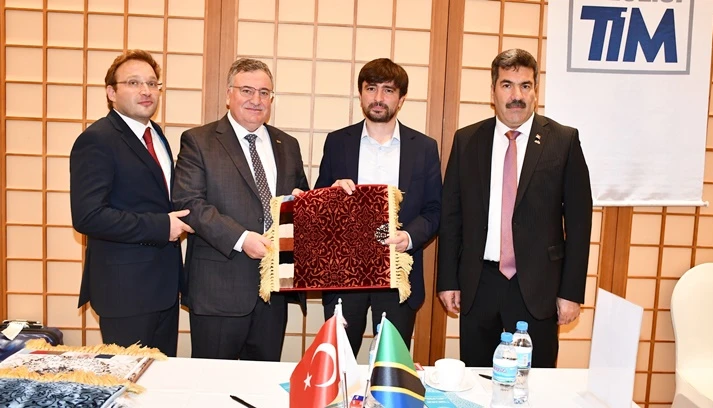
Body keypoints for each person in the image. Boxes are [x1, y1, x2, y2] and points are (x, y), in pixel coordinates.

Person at [436, 48, 593, 368]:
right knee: (478, 379)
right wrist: (448, 279)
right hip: (480, 283)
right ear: (493, 91)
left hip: (538, 287)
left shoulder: (563, 141)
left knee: (535, 382)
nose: (516, 95)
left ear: (536, 91)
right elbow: (451, 216)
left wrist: (571, 292)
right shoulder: (467, 140)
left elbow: (579, 223)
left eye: (525, 85)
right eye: (507, 85)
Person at [172, 58, 309, 361]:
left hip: (273, 292)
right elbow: (189, 203)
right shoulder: (199, 141)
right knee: (213, 382)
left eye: (264, 92)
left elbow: (301, 199)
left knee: (262, 381)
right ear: (228, 94)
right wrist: (241, 238)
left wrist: (310, 202)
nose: (256, 100)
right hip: (219, 290)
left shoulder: (287, 144)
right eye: (247, 90)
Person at [315, 58, 442, 356]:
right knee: (338, 361)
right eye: (371, 88)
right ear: (360, 93)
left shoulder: (423, 147)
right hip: (344, 273)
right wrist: (331, 195)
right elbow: (317, 206)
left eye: (388, 90)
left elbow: (435, 210)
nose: (378, 97)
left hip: (397, 272)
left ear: (401, 98)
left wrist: (408, 237)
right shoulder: (337, 142)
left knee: (391, 364)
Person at [70, 50, 192, 357]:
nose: (146, 90)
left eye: (152, 83)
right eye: (134, 83)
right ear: (111, 92)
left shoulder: (156, 134)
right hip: (124, 291)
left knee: (160, 377)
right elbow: (88, 216)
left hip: (164, 287)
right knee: (127, 380)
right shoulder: (97, 139)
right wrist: (161, 226)